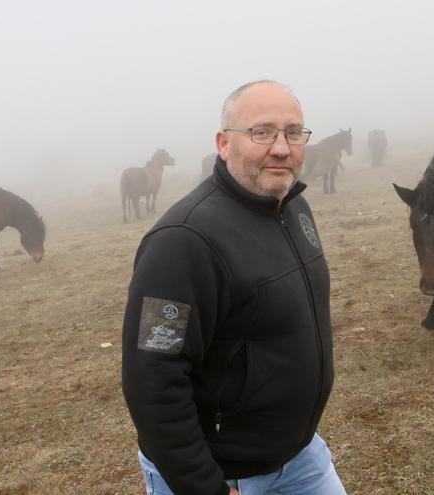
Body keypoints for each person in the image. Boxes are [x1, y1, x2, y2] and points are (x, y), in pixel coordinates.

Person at [121, 80, 345, 495]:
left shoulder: (292, 205)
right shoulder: (182, 241)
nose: (281, 147)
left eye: (294, 132)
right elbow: (152, 380)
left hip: (300, 458)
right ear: (223, 144)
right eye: (261, 132)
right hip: (223, 474)